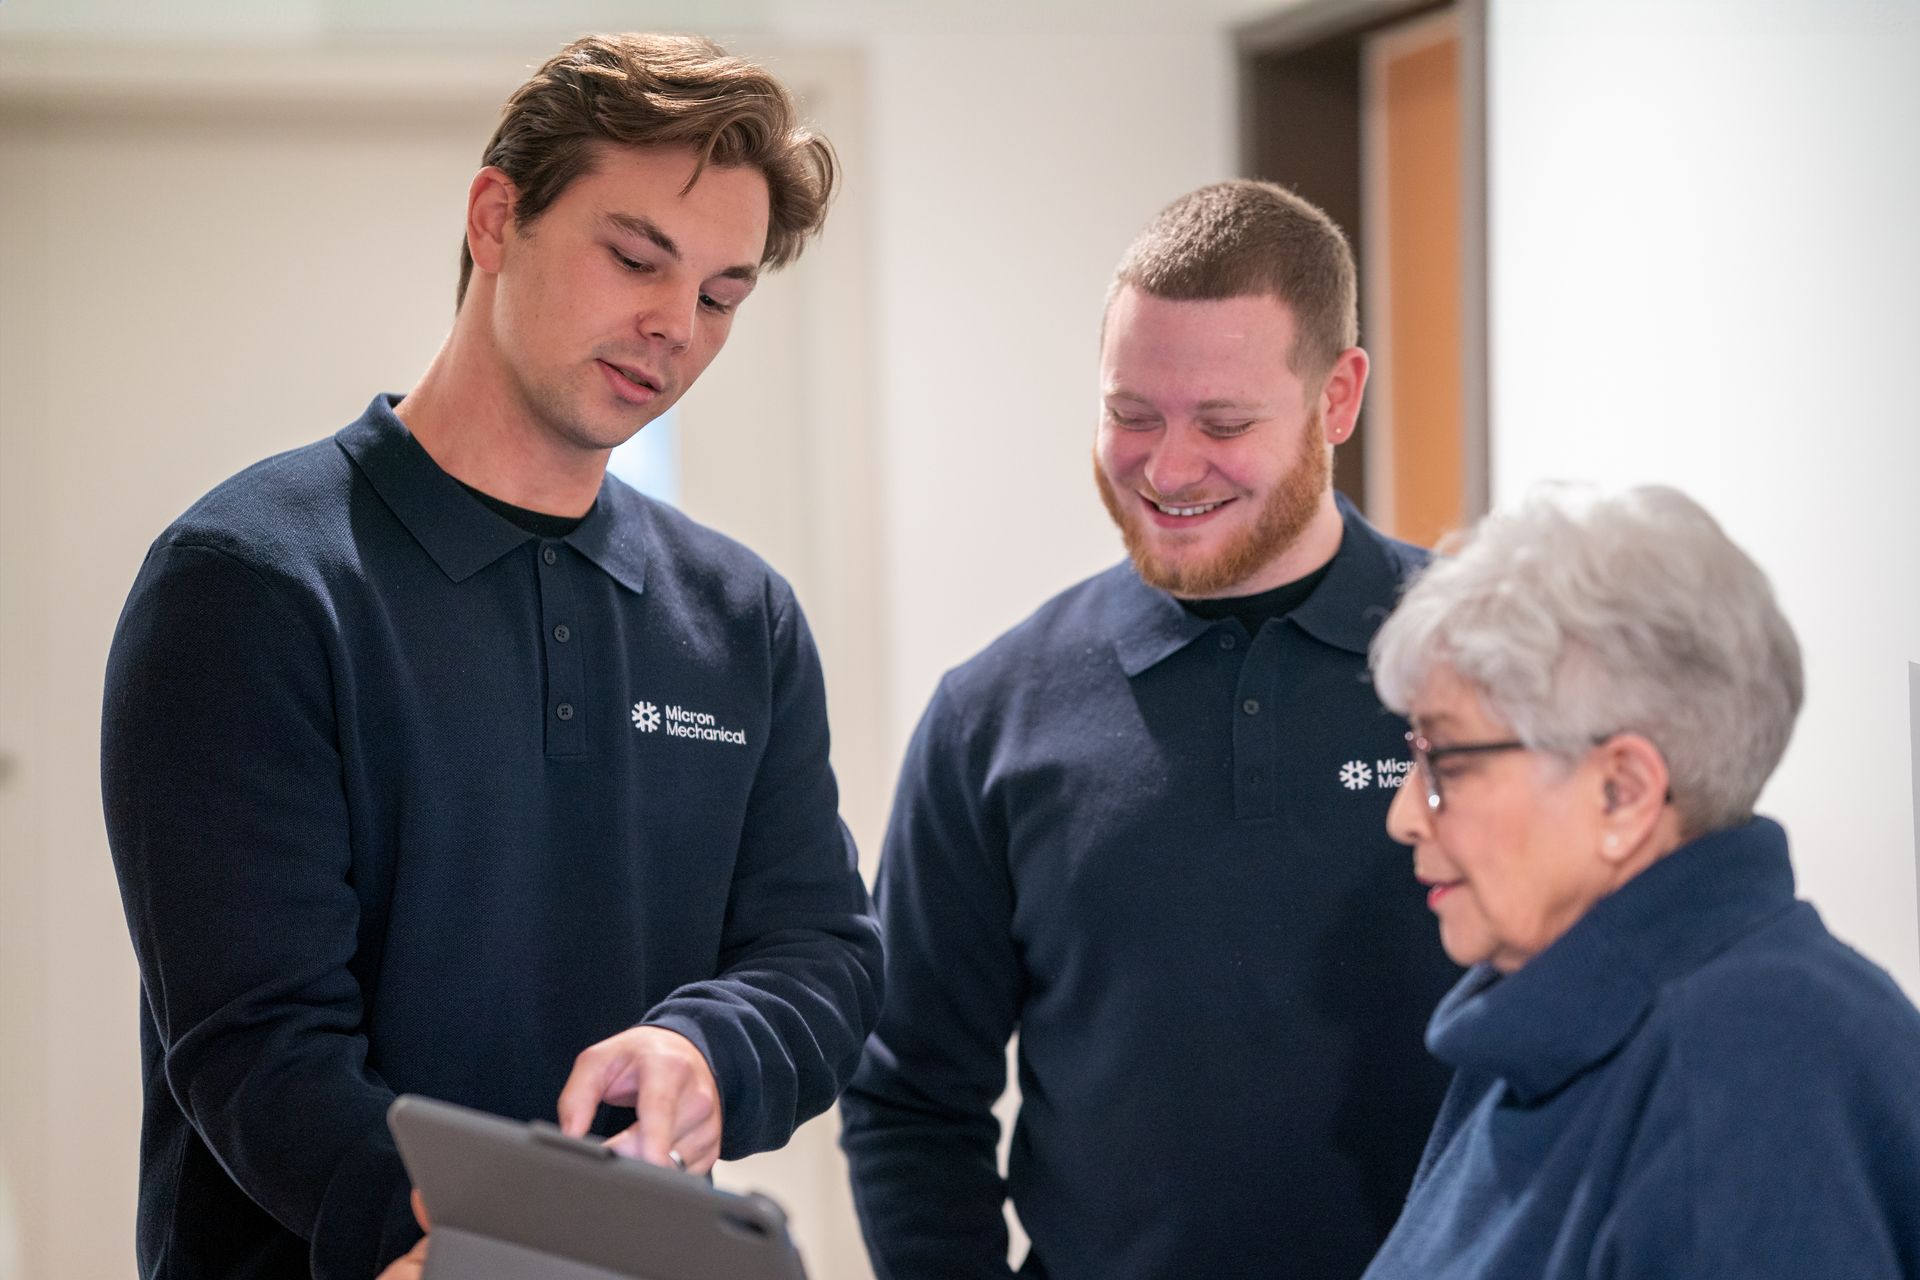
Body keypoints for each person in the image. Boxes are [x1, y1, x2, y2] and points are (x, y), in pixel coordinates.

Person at [101, 34, 882, 1280]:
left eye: (723, 295)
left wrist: (708, 1051)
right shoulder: (250, 582)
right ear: (495, 217)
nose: (674, 324)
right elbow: (260, 1045)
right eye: (636, 256)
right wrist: (464, 1246)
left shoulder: (744, 618)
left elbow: (823, 954)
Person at [840, 181, 1459, 1279]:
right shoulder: (992, 715)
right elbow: (909, 1095)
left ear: (1339, 396)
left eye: (1224, 423)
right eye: (1132, 414)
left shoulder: (1486, 667)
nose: (1167, 469)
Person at [1361, 484, 1920, 1277]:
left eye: (1445, 761)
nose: (1404, 816)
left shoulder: (1756, 1068)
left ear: (1621, 792)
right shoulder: (1541, 1015)